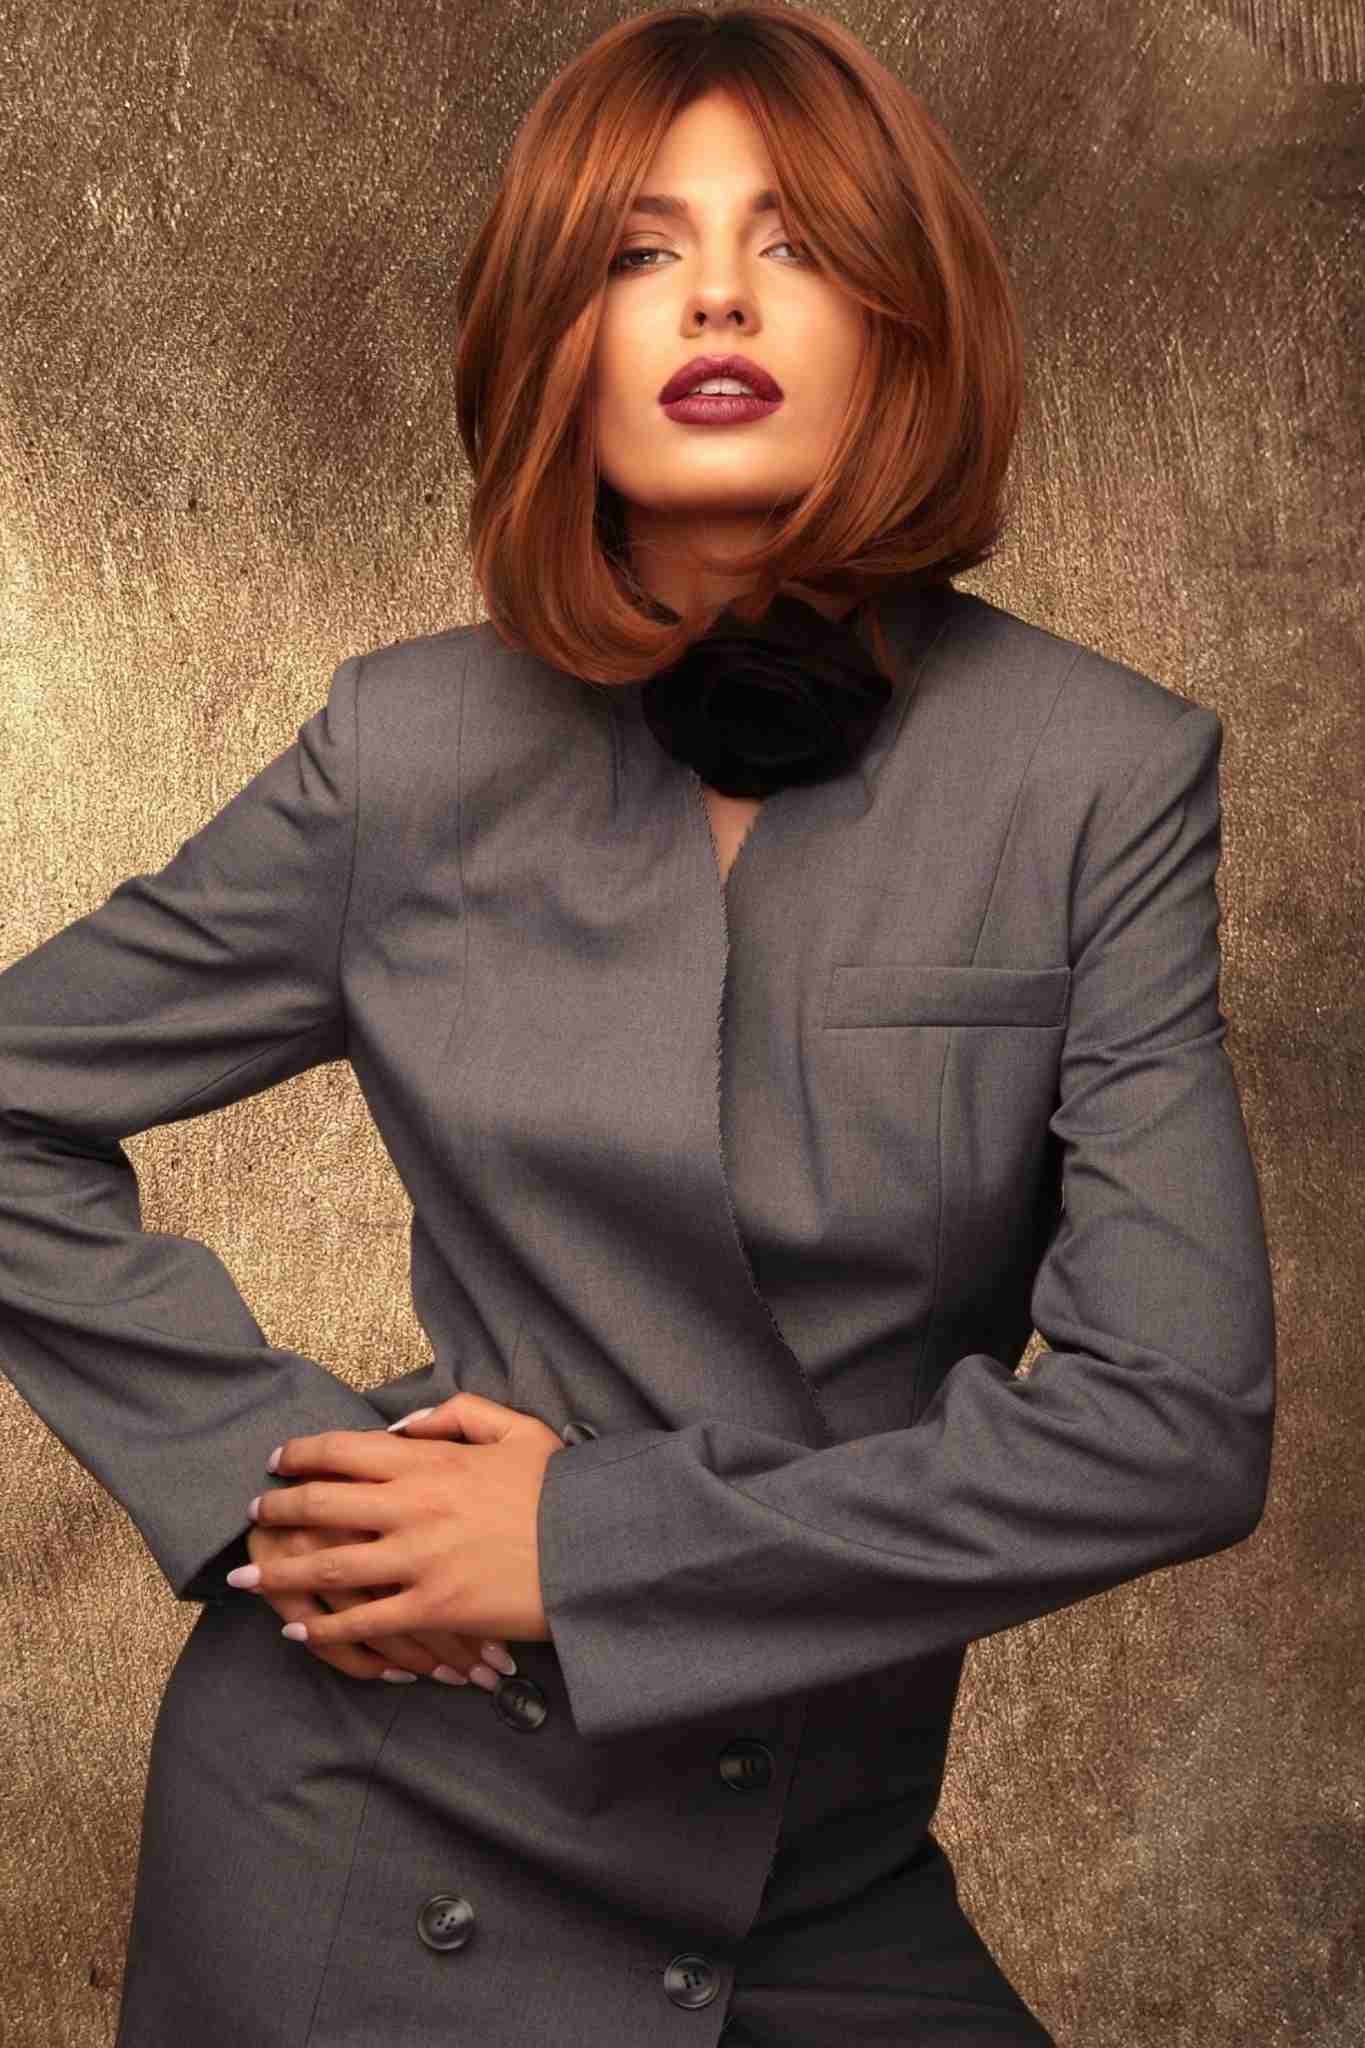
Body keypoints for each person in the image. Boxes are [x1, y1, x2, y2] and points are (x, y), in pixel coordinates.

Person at [0, 6, 1276, 2045]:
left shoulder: (1093, 776)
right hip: (370, 1829)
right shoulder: (404, 751)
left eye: (795, 241)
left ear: (907, 322)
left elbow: (1171, 1428)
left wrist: (576, 1541)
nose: (714, 296)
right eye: (634, 248)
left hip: (816, 1868)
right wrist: (268, 1483)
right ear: (552, 336)